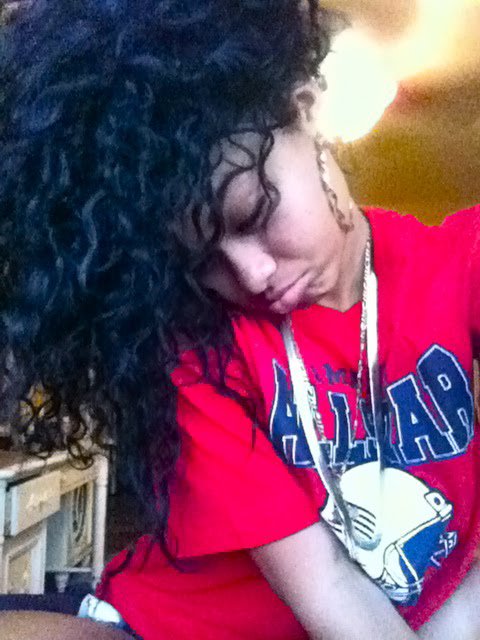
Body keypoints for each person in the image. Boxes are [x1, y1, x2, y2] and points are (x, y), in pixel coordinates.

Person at [1, 0, 480, 639]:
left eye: (254, 213)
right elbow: (328, 586)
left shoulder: (460, 263)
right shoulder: (204, 350)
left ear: (306, 113)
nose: (252, 276)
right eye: (203, 262)